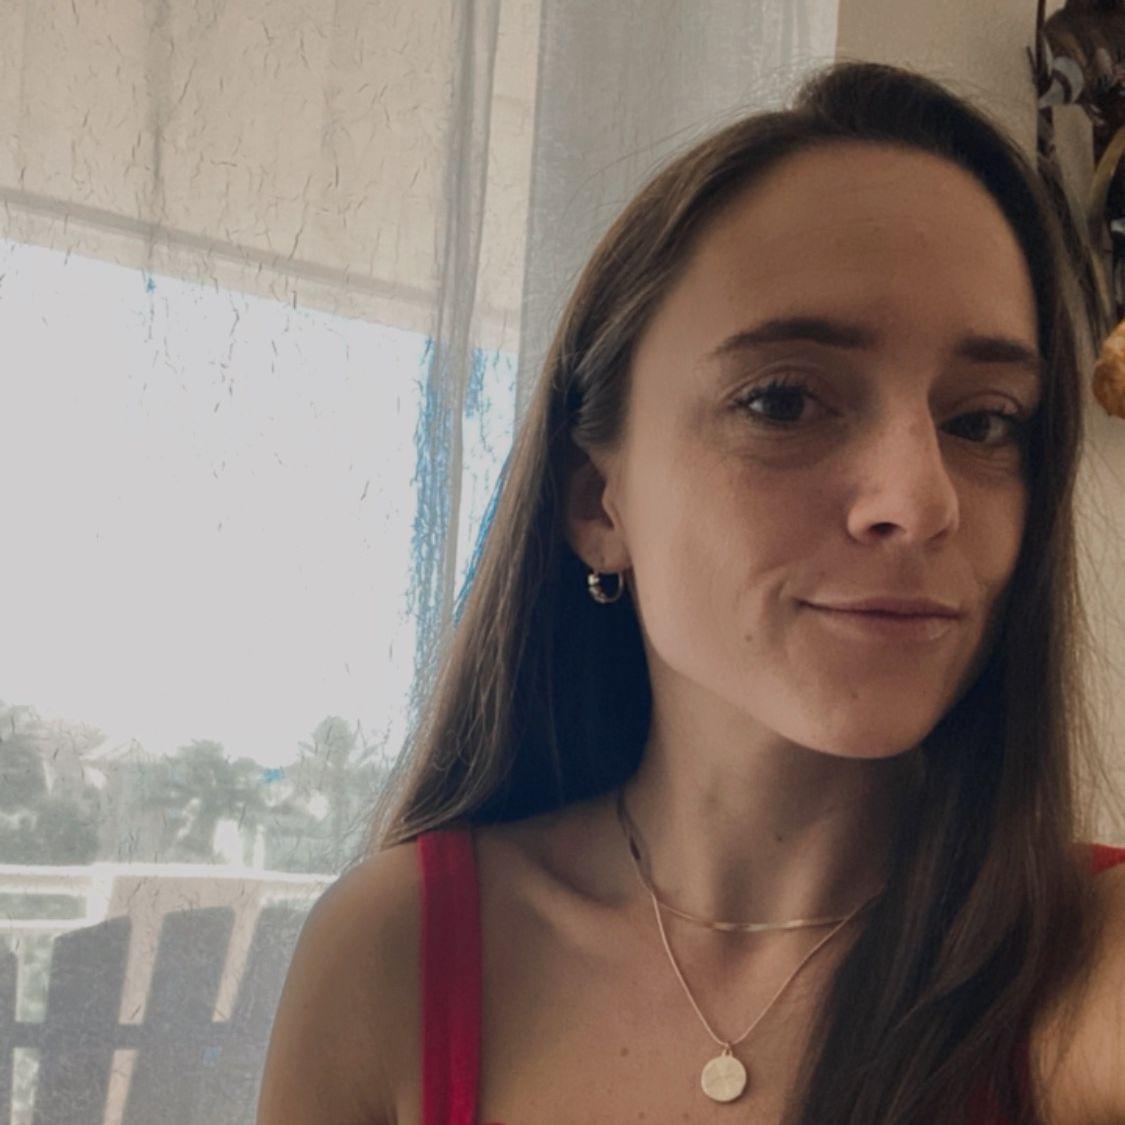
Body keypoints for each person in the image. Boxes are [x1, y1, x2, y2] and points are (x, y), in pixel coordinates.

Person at [256, 60, 1125, 1124]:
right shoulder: (395, 953)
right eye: (784, 401)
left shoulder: (1091, 966)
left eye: (984, 420)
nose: (918, 499)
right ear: (598, 501)